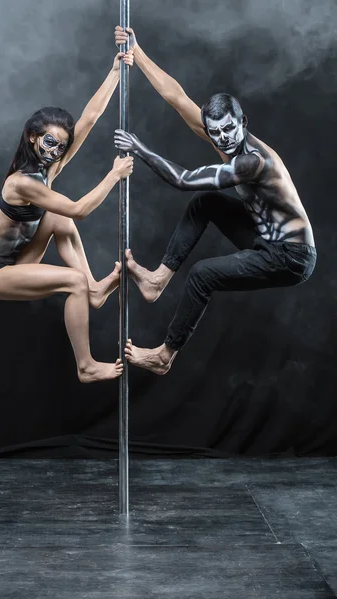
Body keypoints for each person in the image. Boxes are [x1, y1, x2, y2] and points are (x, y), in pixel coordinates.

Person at [114, 26, 316, 375]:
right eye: (215, 132)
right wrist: (138, 51)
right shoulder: (223, 140)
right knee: (206, 203)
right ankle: (156, 281)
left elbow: (182, 180)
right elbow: (177, 98)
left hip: (291, 257)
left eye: (229, 129)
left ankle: (165, 356)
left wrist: (140, 149)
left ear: (242, 122)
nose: (222, 138)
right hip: (263, 236)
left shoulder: (252, 161)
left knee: (202, 275)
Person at [0, 50, 134, 383]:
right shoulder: (21, 183)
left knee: (58, 220)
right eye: (49, 142)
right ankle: (86, 365)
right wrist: (114, 175)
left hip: (20, 260)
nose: (55, 151)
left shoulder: (46, 170)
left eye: (60, 146)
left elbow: (88, 120)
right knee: (70, 272)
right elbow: (79, 209)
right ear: (33, 138)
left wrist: (115, 71)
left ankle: (93, 291)